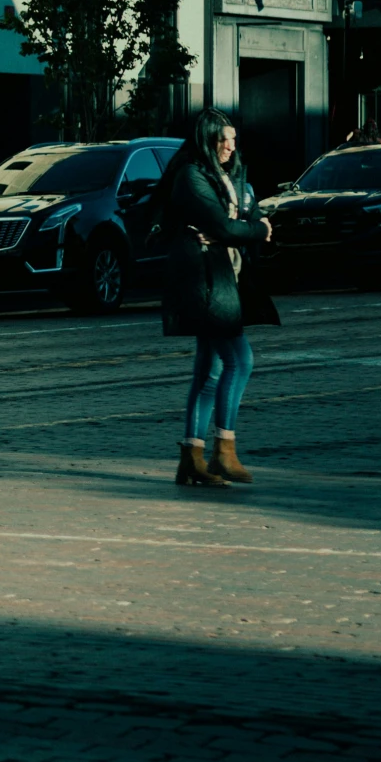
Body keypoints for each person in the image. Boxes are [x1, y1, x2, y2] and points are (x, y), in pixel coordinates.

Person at [154, 107, 278, 487]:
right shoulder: (192, 176)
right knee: (240, 360)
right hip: (204, 281)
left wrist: (245, 227)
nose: (229, 146)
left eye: (233, 139)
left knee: (209, 370)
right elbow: (225, 224)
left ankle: (191, 458)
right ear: (206, 142)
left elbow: (247, 216)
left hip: (226, 276)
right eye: (222, 139)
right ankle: (224, 450)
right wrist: (250, 229)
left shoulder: (231, 176)